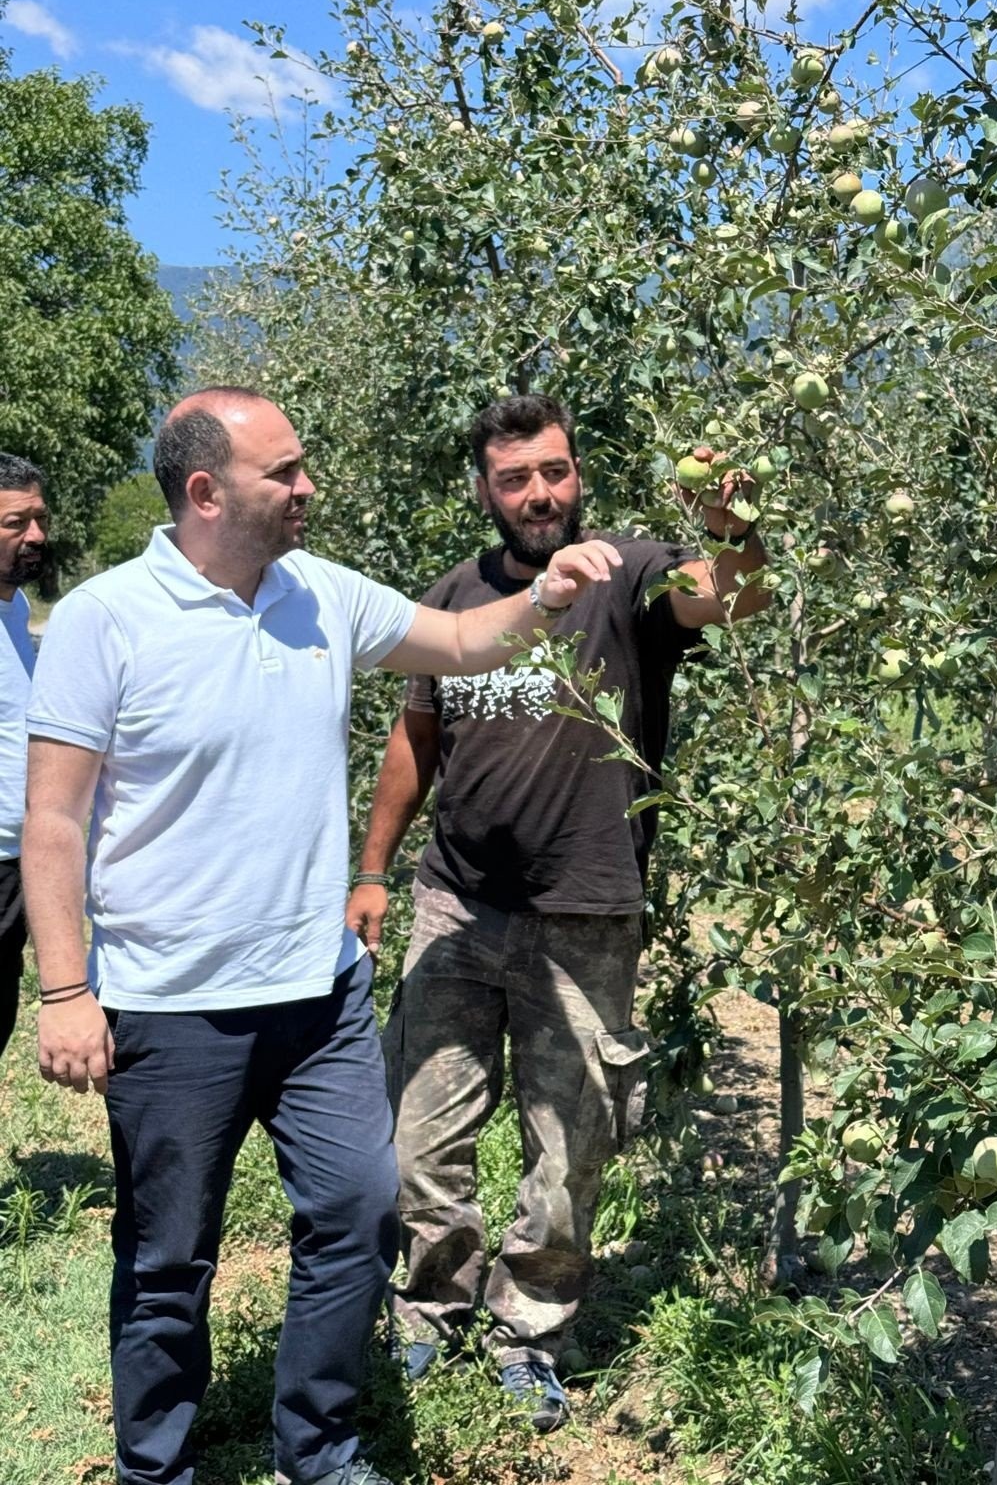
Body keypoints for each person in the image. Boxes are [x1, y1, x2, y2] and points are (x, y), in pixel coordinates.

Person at [22, 386, 620, 1485]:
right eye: (285, 473)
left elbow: (454, 638)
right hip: (168, 1001)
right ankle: (154, 1465)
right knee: (167, 1259)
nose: (309, 489)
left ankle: (322, 1446)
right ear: (206, 491)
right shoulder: (109, 617)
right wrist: (67, 992)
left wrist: (545, 593)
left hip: (319, 995)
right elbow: (54, 817)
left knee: (358, 1211)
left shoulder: (321, 594)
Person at [345, 393, 770, 1431]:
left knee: (568, 1152)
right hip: (455, 903)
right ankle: (430, 1308)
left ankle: (528, 1333)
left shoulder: (628, 571)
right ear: (484, 488)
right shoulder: (453, 594)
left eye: (555, 471)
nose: (539, 493)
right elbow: (416, 743)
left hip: (586, 911)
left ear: (579, 473)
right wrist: (372, 868)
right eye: (515, 477)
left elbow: (735, 598)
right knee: (419, 1136)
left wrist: (731, 521)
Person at [0, 453, 48, 1059]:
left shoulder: (13, 609)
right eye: (16, 523)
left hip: (17, 857)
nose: (36, 534)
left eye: (39, 518)